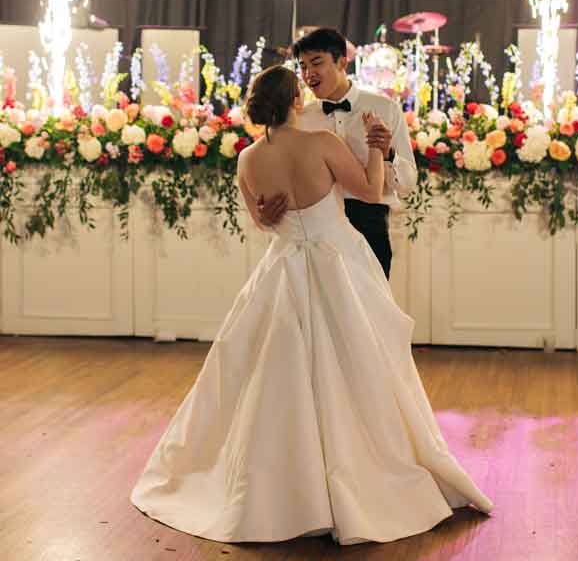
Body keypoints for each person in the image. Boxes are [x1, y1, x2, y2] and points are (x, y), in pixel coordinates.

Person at [130, 65, 493, 545]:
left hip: (281, 271)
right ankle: (355, 480)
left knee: (275, 379)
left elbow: (263, 221)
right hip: (337, 264)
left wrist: (266, 213)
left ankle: (280, 492)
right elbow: (368, 190)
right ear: (295, 101)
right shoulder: (321, 144)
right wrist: (380, 151)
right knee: (358, 369)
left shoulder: (246, 160)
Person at [258, 27, 417, 277]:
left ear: (342, 62)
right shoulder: (301, 117)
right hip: (317, 232)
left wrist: (388, 154)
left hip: (370, 224)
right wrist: (264, 212)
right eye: (303, 66)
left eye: (316, 63)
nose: (309, 74)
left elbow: (408, 184)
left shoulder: (385, 109)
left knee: (371, 312)